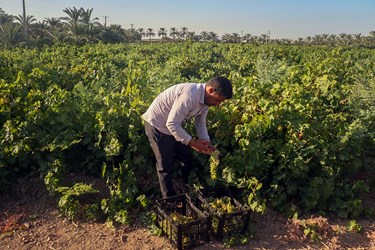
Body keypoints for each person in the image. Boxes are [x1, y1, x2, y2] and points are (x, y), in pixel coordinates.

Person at [142, 76, 233, 198]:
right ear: (211, 90)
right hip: (157, 125)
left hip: (175, 125)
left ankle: (186, 185)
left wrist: (206, 142)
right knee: (165, 165)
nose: (217, 104)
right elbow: (171, 123)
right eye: (218, 100)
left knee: (186, 156)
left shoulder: (206, 100)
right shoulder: (190, 96)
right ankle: (169, 199)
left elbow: (200, 123)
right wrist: (193, 142)